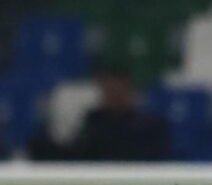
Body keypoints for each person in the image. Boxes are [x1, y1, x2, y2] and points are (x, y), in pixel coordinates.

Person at [29, 68, 171, 164]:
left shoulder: (150, 125)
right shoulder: (95, 119)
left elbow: (154, 160)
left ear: (128, 89)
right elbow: (79, 155)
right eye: (108, 89)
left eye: (117, 90)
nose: (112, 94)